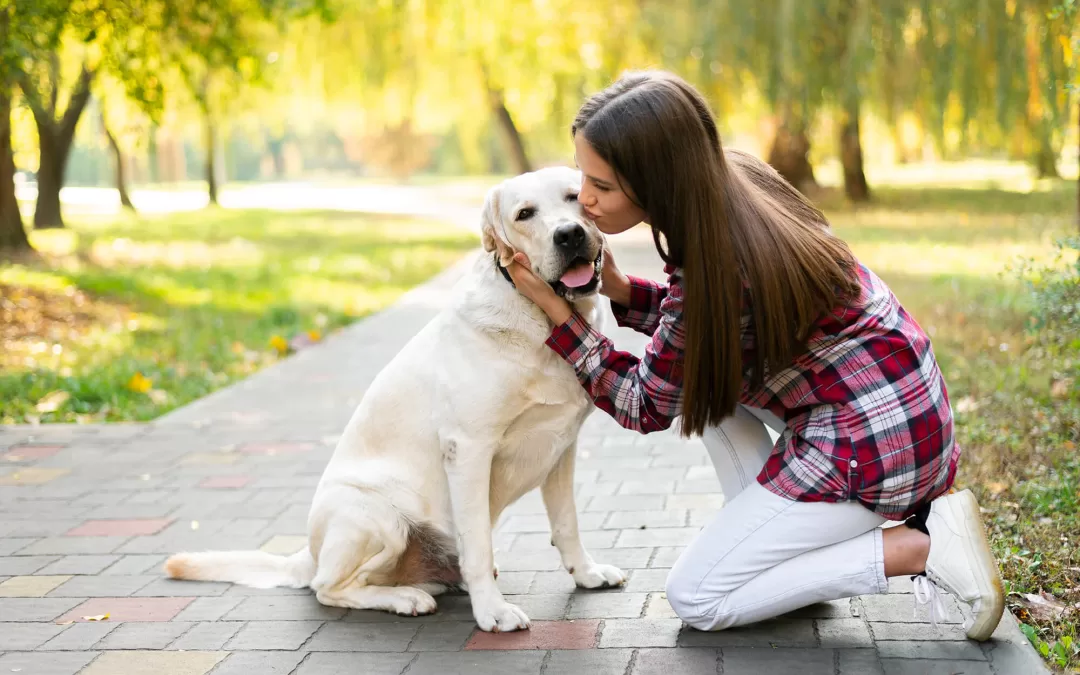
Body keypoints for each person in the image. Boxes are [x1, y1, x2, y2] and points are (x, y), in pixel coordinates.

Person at [496, 70, 1005, 640]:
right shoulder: (736, 184)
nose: (584, 201)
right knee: (705, 384)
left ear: (658, 184)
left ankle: (919, 548)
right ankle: (777, 552)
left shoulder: (718, 263)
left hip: (872, 448)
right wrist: (618, 290)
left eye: (601, 186)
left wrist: (560, 316)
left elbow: (644, 405)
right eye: (580, 174)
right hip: (897, 407)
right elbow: (705, 339)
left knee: (698, 597)